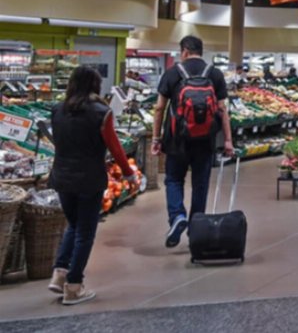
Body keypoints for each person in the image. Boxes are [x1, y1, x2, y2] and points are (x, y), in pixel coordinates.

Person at [48, 66, 136, 305]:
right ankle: (74, 286)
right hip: (89, 178)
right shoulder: (101, 113)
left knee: (74, 225)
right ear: (95, 85)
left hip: (62, 177)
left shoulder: (57, 110)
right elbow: (115, 147)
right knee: (85, 232)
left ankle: (60, 273)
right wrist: (128, 173)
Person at [151, 36, 234, 248]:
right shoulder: (214, 74)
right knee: (200, 184)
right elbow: (222, 110)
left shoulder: (172, 73)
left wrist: (156, 138)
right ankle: (196, 230)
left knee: (173, 180)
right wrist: (228, 140)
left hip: (176, 140)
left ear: (185, 51)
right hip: (205, 140)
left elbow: (159, 108)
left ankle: (177, 216)